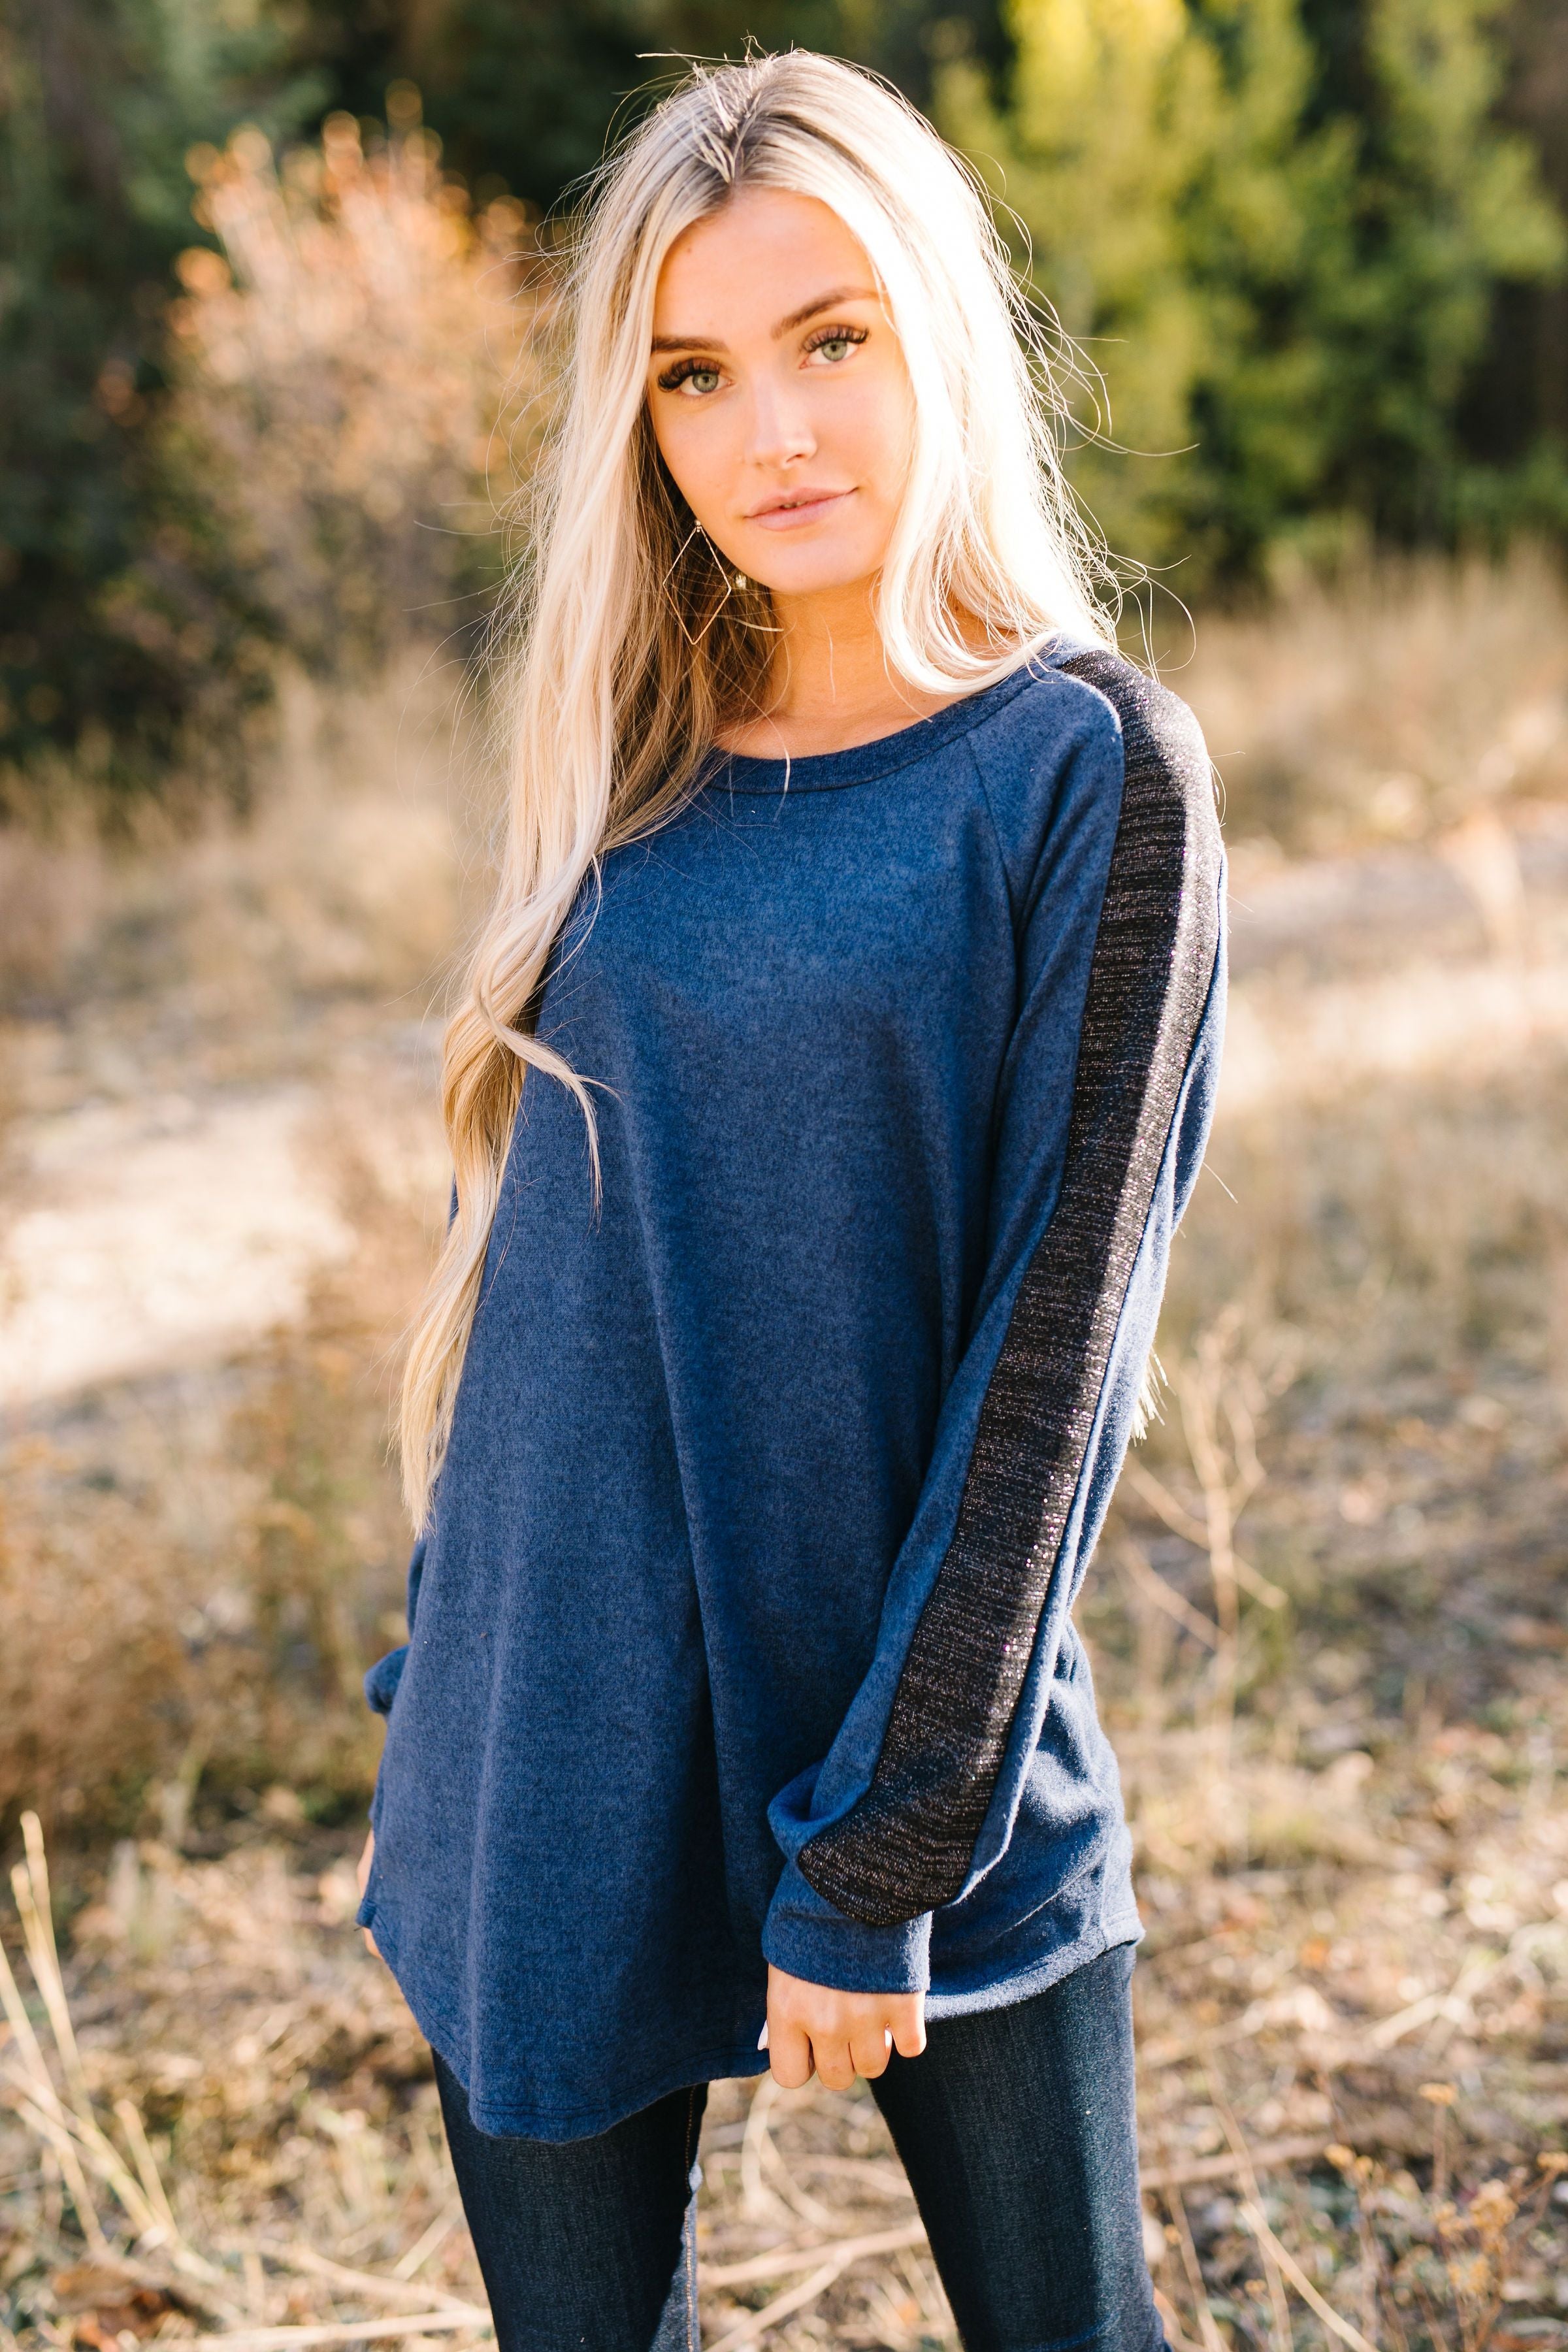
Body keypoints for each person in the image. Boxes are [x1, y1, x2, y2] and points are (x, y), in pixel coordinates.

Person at [355, 48, 1225, 2352]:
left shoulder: (1084, 770)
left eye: (831, 338)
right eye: (696, 376)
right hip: (548, 1740)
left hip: (920, 1752)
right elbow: (554, 1253)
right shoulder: (627, 756)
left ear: (939, 326)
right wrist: (451, 1640)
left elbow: (1059, 1363)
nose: (777, 436)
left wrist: (877, 1852)